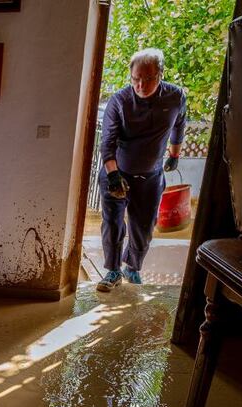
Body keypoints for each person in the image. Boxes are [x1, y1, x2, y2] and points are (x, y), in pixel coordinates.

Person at [96, 48, 186, 292]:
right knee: (113, 223)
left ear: (160, 74)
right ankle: (112, 271)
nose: (141, 84)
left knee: (144, 226)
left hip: (150, 176)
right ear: (130, 76)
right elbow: (108, 143)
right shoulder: (120, 101)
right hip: (117, 172)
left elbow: (179, 126)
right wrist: (113, 175)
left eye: (148, 78)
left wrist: (174, 155)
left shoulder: (175, 97)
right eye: (136, 78)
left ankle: (132, 268)